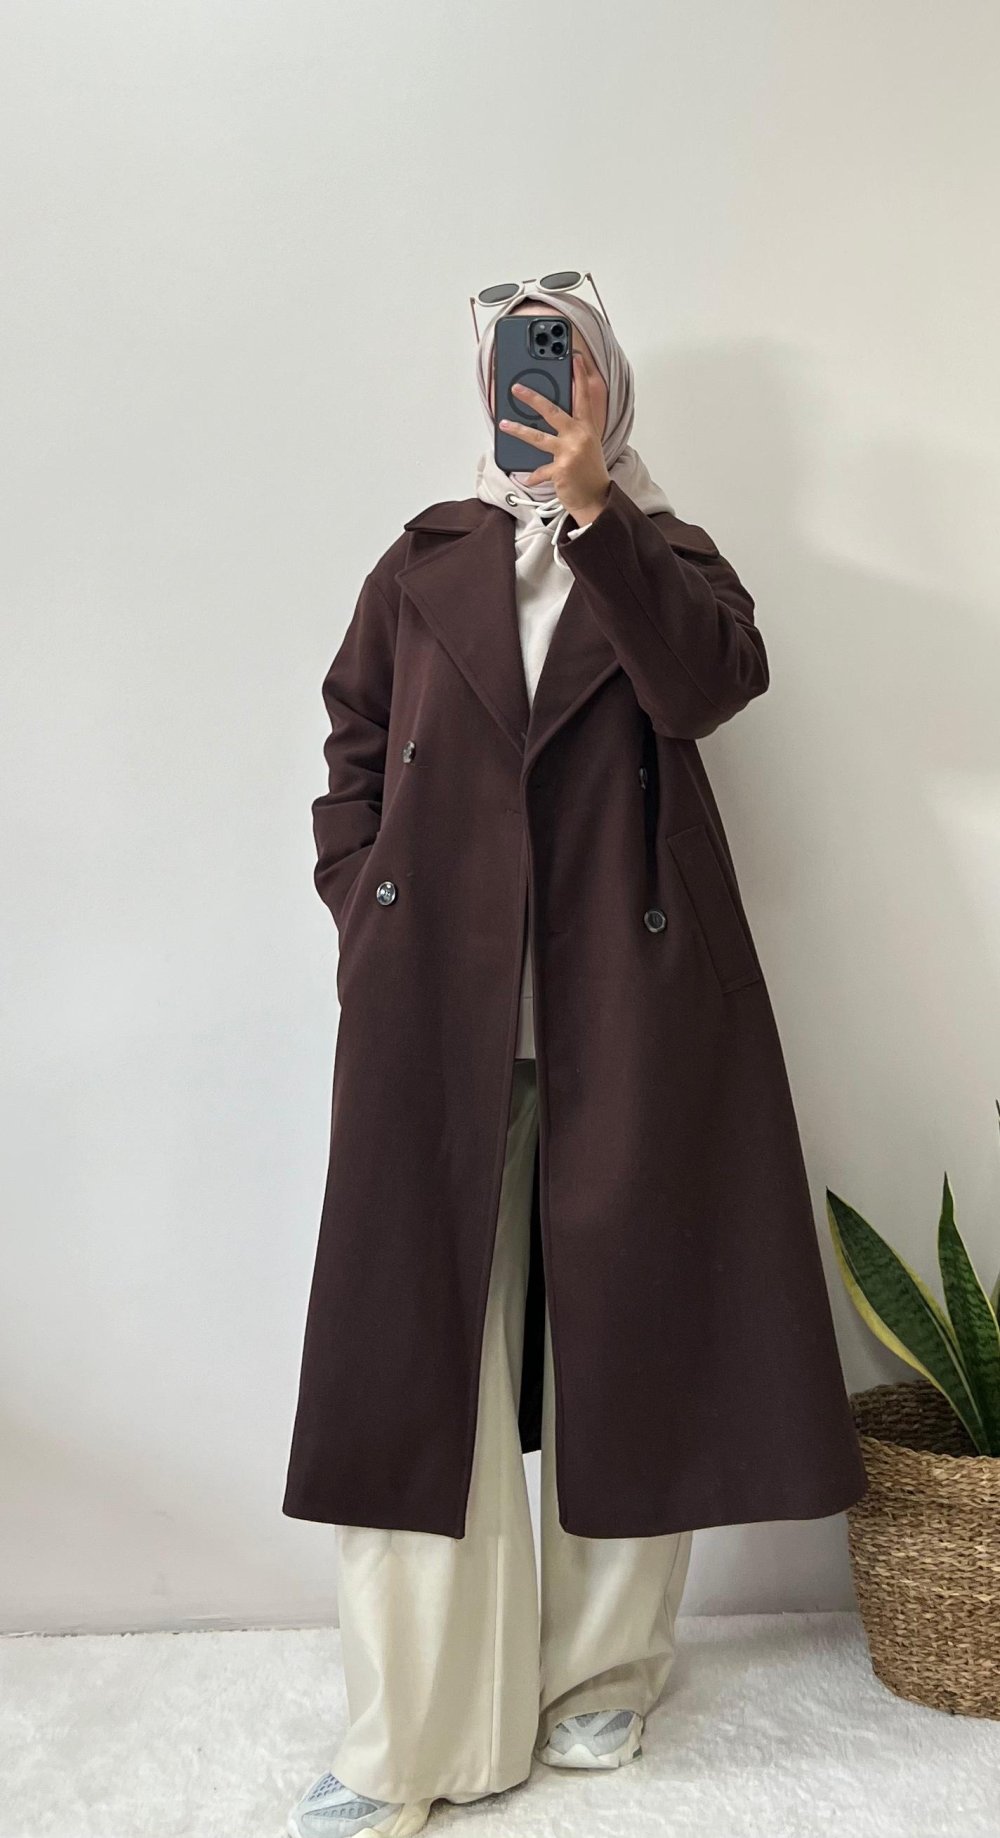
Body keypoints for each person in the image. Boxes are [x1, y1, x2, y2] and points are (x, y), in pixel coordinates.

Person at [284, 277, 867, 1838]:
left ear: (607, 384)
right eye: (511, 363)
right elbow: (352, 741)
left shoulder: (669, 554)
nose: (535, 389)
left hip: (633, 1005)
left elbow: (711, 684)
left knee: (634, 1332)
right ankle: (413, 1727)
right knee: (413, 1358)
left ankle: (601, 1668)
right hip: (436, 1008)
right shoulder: (424, 557)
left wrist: (602, 510)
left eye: (563, 361)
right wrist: (364, 902)